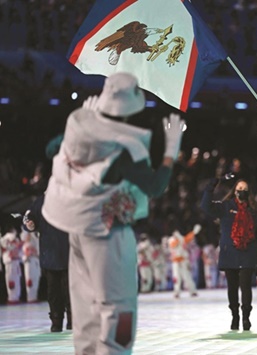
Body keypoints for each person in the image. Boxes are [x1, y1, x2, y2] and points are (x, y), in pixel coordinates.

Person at [41, 72, 185, 354]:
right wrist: (171, 149)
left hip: (77, 228)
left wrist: (88, 117)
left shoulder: (77, 124)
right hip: (109, 231)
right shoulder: (125, 145)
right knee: (119, 306)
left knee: (84, 304)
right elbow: (155, 186)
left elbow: (51, 150)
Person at [201, 178, 257, 331]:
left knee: (246, 287)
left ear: (248, 192)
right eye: (239, 188)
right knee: (232, 288)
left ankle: (246, 317)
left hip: (248, 253)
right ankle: (235, 315)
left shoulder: (254, 210)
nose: (241, 191)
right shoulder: (225, 207)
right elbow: (206, 206)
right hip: (230, 252)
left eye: (245, 188)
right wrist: (211, 187)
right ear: (234, 190)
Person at [23, 194, 72, 332]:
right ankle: (57, 321)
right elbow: (28, 217)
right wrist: (30, 224)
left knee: (68, 290)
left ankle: (71, 320)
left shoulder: (70, 197)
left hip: (67, 253)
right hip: (52, 253)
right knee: (55, 291)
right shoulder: (41, 201)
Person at [168, 225, 201, 298]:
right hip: (176, 261)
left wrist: (194, 232)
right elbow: (174, 244)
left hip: (183, 261)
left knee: (187, 276)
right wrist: (179, 237)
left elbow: (187, 238)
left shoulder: (181, 238)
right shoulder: (171, 240)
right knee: (176, 278)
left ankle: (193, 291)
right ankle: (177, 292)